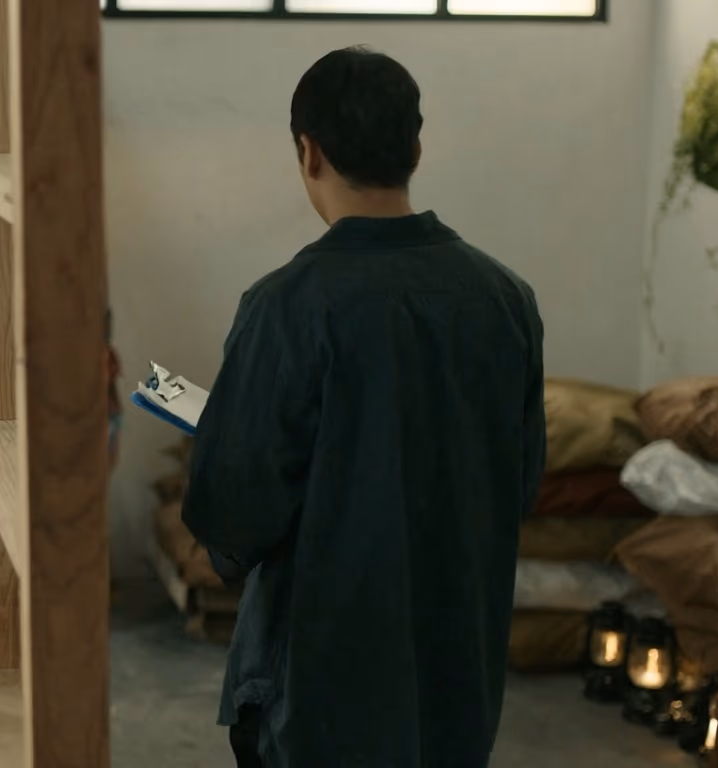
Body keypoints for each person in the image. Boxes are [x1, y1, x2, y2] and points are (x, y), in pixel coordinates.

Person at [181, 46, 546, 768]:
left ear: (308, 152)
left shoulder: (287, 307)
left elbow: (233, 513)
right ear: (415, 146)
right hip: (457, 688)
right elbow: (520, 482)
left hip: (318, 699)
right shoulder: (506, 299)